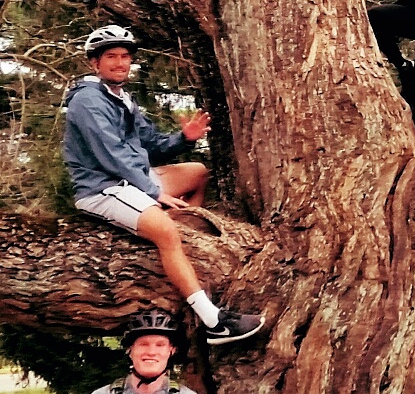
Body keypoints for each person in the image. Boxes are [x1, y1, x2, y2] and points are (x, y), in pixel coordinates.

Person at [63, 26, 264, 346]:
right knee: (166, 232)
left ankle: (188, 251)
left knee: (197, 172)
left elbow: (152, 145)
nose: (120, 63)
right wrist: (154, 194)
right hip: (104, 187)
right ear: (94, 63)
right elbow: (111, 155)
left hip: (133, 178)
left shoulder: (121, 98)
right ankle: (214, 322)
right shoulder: (87, 100)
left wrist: (184, 139)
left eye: (125, 57)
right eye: (111, 57)